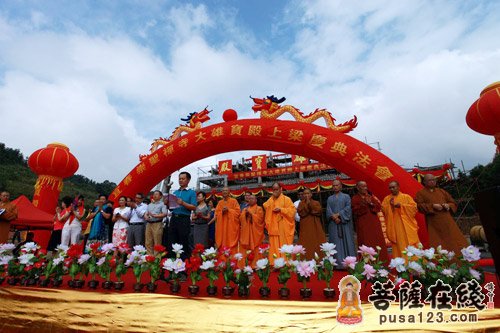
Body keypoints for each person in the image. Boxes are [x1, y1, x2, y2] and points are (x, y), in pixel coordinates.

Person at [415, 174, 468, 255]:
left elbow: (452, 202)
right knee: (438, 242)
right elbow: (419, 206)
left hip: (447, 220)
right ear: (424, 182)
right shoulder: (420, 193)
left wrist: (448, 205)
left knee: (455, 239)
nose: (432, 182)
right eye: (430, 180)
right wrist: (432, 206)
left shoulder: (441, 191)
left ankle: (461, 258)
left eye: (434, 180)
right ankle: (442, 261)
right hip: (434, 222)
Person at [351, 181, 389, 263]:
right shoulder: (355, 198)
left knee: (377, 241)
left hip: (374, 223)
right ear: (358, 188)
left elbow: (378, 207)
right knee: (365, 242)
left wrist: (371, 204)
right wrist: (364, 204)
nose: (365, 188)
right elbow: (355, 211)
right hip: (363, 224)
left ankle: (381, 262)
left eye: (366, 186)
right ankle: (367, 264)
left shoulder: (371, 197)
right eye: (363, 186)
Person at [381, 181, 420, 259]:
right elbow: (383, 210)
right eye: (390, 188)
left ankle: (415, 262)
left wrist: (401, 206)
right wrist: (391, 207)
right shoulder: (387, 199)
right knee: (399, 243)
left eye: (393, 187)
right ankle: (401, 263)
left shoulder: (406, 197)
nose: (392, 189)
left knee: (411, 243)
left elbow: (414, 208)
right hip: (395, 225)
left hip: (407, 224)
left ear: (398, 187)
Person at [263, 183, 296, 264]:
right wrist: (271, 205)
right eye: (273, 189)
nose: (275, 191)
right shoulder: (270, 200)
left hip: (283, 226)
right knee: (274, 246)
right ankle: (275, 263)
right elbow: (265, 206)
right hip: (274, 227)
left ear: (281, 189)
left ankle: (287, 263)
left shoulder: (286, 199)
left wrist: (281, 210)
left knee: (284, 245)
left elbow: (292, 211)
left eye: (277, 189)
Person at [326, 180, 355, 267]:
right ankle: (337, 263)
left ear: (341, 186)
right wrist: (333, 217)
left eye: (337, 185)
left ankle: (349, 262)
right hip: (334, 224)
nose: (335, 187)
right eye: (333, 185)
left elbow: (348, 208)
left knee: (348, 240)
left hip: (345, 223)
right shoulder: (329, 198)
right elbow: (328, 210)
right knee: (335, 242)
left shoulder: (346, 197)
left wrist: (338, 215)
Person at [169, 172, 197, 260]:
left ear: (188, 180)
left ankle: (184, 265)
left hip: (184, 219)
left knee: (183, 241)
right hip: (174, 218)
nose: (180, 180)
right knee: (173, 241)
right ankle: (173, 265)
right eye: (179, 178)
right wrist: (167, 204)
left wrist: (183, 203)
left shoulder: (191, 192)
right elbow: (171, 208)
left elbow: (194, 207)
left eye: (183, 178)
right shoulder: (175, 192)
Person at [297, 188, 326, 260]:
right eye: (305, 194)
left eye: (308, 193)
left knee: (316, 241)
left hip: (315, 225)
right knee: (306, 242)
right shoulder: (301, 203)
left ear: (311, 194)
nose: (306, 195)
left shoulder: (316, 202)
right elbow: (301, 213)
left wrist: (309, 204)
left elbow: (318, 211)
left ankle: (319, 260)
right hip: (305, 226)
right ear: (303, 195)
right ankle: (305, 259)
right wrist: (307, 204)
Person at [239, 194, 264, 266]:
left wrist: (251, 215)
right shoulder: (244, 209)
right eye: (249, 199)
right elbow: (241, 219)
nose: (251, 200)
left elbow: (260, 220)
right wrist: (245, 215)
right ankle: (246, 264)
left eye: (252, 199)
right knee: (246, 249)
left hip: (255, 233)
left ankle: (256, 264)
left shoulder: (259, 208)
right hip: (246, 233)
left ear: (256, 200)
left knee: (256, 249)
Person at [215, 187, 240, 254]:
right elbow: (216, 214)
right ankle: (223, 259)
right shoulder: (220, 203)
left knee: (230, 242)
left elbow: (238, 213)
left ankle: (232, 260)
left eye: (226, 190)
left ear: (229, 192)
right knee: (223, 242)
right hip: (222, 227)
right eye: (223, 190)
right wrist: (222, 212)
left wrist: (229, 210)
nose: (224, 192)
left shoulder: (234, 201)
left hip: (231, 227)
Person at [145, 190, 168, 255]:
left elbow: (164, 214)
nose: (155, 195)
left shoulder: (163, 204)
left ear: (160, 196)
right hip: (149, 224)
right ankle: (149, 258)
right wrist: (146, 216)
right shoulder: (149, 204)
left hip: (157, 223)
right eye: (154, 194)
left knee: (157, 242)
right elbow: (146, 213)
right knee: (148, 242)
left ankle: (156, 260)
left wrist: (155, 216)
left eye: (157, 194)